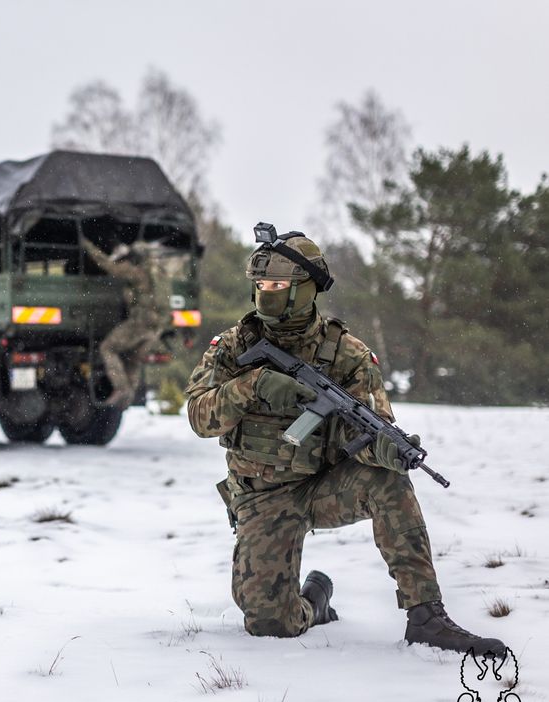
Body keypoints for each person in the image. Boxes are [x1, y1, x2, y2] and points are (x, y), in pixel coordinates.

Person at [183, 226, 505, 656]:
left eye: (278, 285)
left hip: (322, 488)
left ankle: (426, 615)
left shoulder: (347, 354)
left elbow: (369, 424)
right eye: (260, 285)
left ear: (306, 289)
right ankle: (316, 599)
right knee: (268, 624)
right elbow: (198, 417)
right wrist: (253, 385)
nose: (266, 293)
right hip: (261, 497)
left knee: (388, 481)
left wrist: (386, 449)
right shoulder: (232, 345)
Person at [81, 237, 170, 407]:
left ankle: (122, 389)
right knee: (132, 358)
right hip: (156, 328)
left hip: (140, 323)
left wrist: (87, 245)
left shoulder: (136, 272)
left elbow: (107, 265)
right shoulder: (160, 273)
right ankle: (128, 396)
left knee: (107, 348)